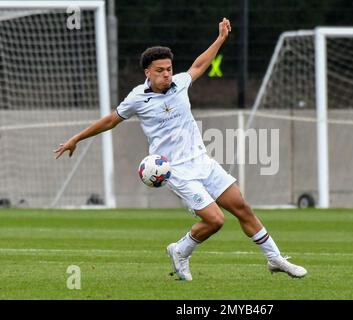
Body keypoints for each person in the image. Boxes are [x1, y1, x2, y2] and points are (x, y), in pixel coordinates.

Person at [54, 18, 307, 281]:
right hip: (175, 170)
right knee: (215, 220)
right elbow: (110, 120)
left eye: (169, 68)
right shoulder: (137, 99)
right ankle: (182, 250)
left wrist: (220, 39)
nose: (166, 74)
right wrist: (76, 138)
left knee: (242, 207)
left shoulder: (180, 83)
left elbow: (199, 64)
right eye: (160, 70)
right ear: (147, 73)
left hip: (203, 162)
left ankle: (274, 258)